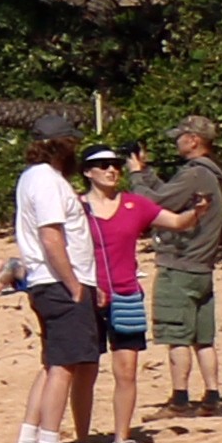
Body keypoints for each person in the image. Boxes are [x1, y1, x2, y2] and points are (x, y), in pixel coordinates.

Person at [6, 130, 102, 443]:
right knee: (65, 366)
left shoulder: (34, 178)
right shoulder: (47, 180)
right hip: (58, 282)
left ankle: (27, 442)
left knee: (51, 365)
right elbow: (51, 237)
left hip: (47, 282)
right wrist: (74, 285)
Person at [145, 120, 222, 414]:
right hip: (202, 269)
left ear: (193, 140)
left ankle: (180, 400)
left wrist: (135, 175)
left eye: (180, 137)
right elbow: (168, 195)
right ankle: (212, 397)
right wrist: (146, 172)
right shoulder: (210, 175)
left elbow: (153, 203)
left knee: (176, 336)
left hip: (180, 268)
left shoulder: (195, 174)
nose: (176, 142)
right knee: (203, 339)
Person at [84, 148, 154, 383]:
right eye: (103, 165)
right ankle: (81, 422)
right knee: (84, 369)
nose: (112, 169)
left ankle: (122, 423)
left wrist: (197, 211)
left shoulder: (134, 204)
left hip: (127, 296)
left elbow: (174, 220)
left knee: (127, 372)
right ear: (87, 172)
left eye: (115, 164)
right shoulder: (75, 207)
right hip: (88, 295)